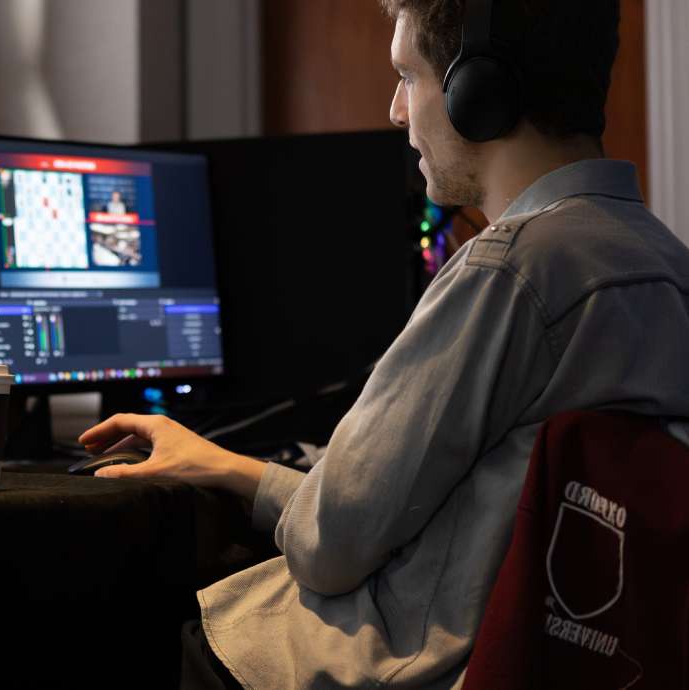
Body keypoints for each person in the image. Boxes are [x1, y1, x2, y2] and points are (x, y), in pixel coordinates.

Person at [78, 1, 689, 688]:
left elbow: (330, 545)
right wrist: (229, 468)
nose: (398, 110)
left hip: (403, 666)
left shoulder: (510, 272)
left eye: (408, 75)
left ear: (476, 91)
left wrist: (256, 487)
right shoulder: (666, 264)